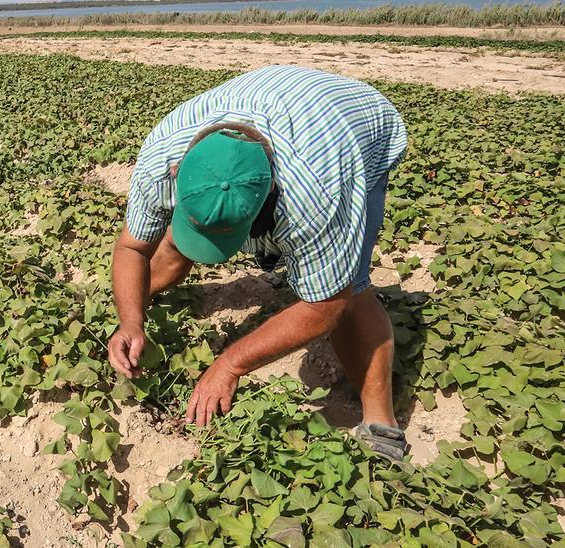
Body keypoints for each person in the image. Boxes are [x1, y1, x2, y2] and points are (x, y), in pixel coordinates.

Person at [107, 65, 410, 459]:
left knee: (352, 287)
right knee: (178, 239)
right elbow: (133, 248)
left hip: (355, 124)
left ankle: (381, 424)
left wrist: (230, 364)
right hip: (274, 96)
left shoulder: (315, 195)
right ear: (178, 176)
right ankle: (141, 298)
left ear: (271, 194)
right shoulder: (161, 157)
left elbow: (326, 307)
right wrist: (130, 320)